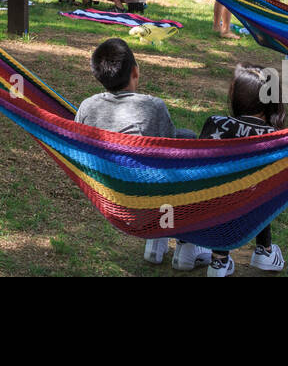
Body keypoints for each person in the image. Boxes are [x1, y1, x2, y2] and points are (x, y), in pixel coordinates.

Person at [74, 38, 208, 271]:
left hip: (110, 193)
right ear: (135, 71)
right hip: (146, 196)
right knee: (191, 151)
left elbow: (76, 147)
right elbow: (169, 154)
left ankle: (156, 241)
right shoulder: (153, 107)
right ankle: (187, 244)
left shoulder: (87, 107)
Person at [201, 64, 288, 275]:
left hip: (208, 202)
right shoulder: (273, 136)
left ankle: (219, 260)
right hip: (253, 207)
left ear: (235, 97)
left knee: (224, 190)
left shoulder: (215, 123)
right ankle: (264, 250)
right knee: (263, 190)